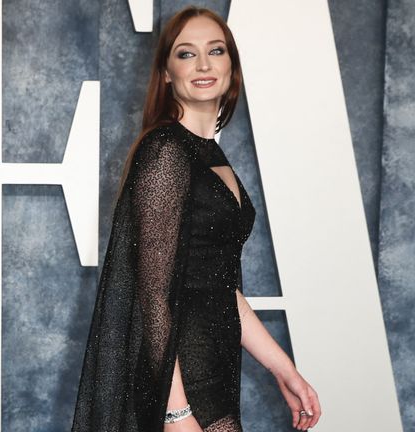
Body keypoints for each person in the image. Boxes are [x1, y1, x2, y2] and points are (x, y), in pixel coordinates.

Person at [72, 7, 320, 432]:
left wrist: (284, 369)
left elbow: (219, 284)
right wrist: (176, 413)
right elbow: (153, 298)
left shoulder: (210, 156)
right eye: (186, 54)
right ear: (166, 74)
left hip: (214, 367)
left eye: (216, 51)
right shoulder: (167, 151)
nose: (203, 64)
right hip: (181, 378)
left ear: (231, 66)